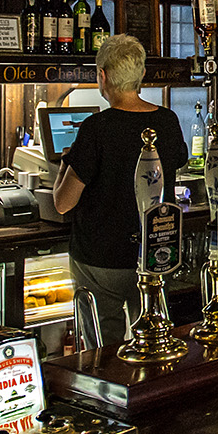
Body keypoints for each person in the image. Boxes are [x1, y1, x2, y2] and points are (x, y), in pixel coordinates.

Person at [52, 33, 189, 346]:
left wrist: (66, 162)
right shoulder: (167, 121)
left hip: (102, 259)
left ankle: (104, 392)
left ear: (102, 76)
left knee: (103, 349)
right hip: (155, 254)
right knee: (155, 341)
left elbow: (63, 203)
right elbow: (174, 165)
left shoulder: (96, 127)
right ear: (141, 75)